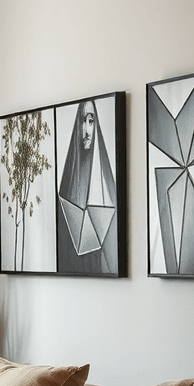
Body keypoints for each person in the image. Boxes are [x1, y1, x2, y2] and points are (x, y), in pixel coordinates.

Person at [57, 99, 117, 274]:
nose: (86, 130)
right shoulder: (67, 186)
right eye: (82, 121)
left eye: (91, 121)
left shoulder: (107, 186)